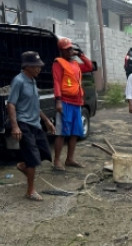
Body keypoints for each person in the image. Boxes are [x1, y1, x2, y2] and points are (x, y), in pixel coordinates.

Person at [7, 51, 56, 201]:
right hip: (23, 123)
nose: (39, 69)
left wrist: (47, 121)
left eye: (40, 66)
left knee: (44, 152)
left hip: (35, 123)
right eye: (36, 66)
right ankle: (30, 191)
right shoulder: (19, 81)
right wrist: (15, 126)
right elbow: (11, 104)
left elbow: (35, 105)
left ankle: (23, 166)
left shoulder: (33, 81)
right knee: (33, 158)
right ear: (27, 66)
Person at [52, 37, 93, 170]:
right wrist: (58, 101)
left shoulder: (75, 64)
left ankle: (70, 159)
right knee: (61, 132)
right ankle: (57, 161)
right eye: (67, 49)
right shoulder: (58, 63)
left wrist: (80, 54)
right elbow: (57, 82)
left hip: (77, 102)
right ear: (61, 51)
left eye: (71, 48)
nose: (70, 51)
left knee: (75, 131)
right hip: (64, 102)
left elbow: (89, 66)